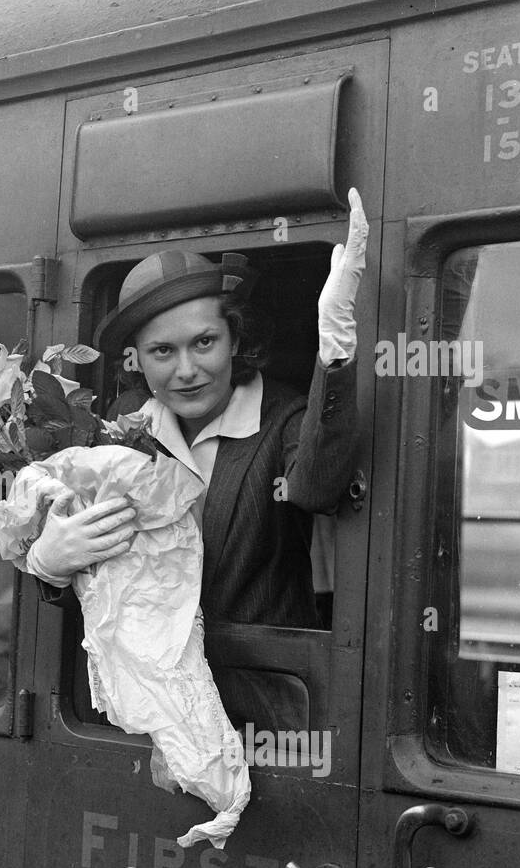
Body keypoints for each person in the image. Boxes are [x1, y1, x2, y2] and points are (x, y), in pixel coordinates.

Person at [26, 188, 368, 628]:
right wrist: (51, 566)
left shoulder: (282, 414)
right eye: (163, 351)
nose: (186, 370)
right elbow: (101, 584)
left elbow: (315, 490)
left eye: (204, 342)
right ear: (138, 359)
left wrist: (335, 348)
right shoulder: (123, 420)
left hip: (261, 688)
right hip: (146, 687)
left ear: (236, 340)